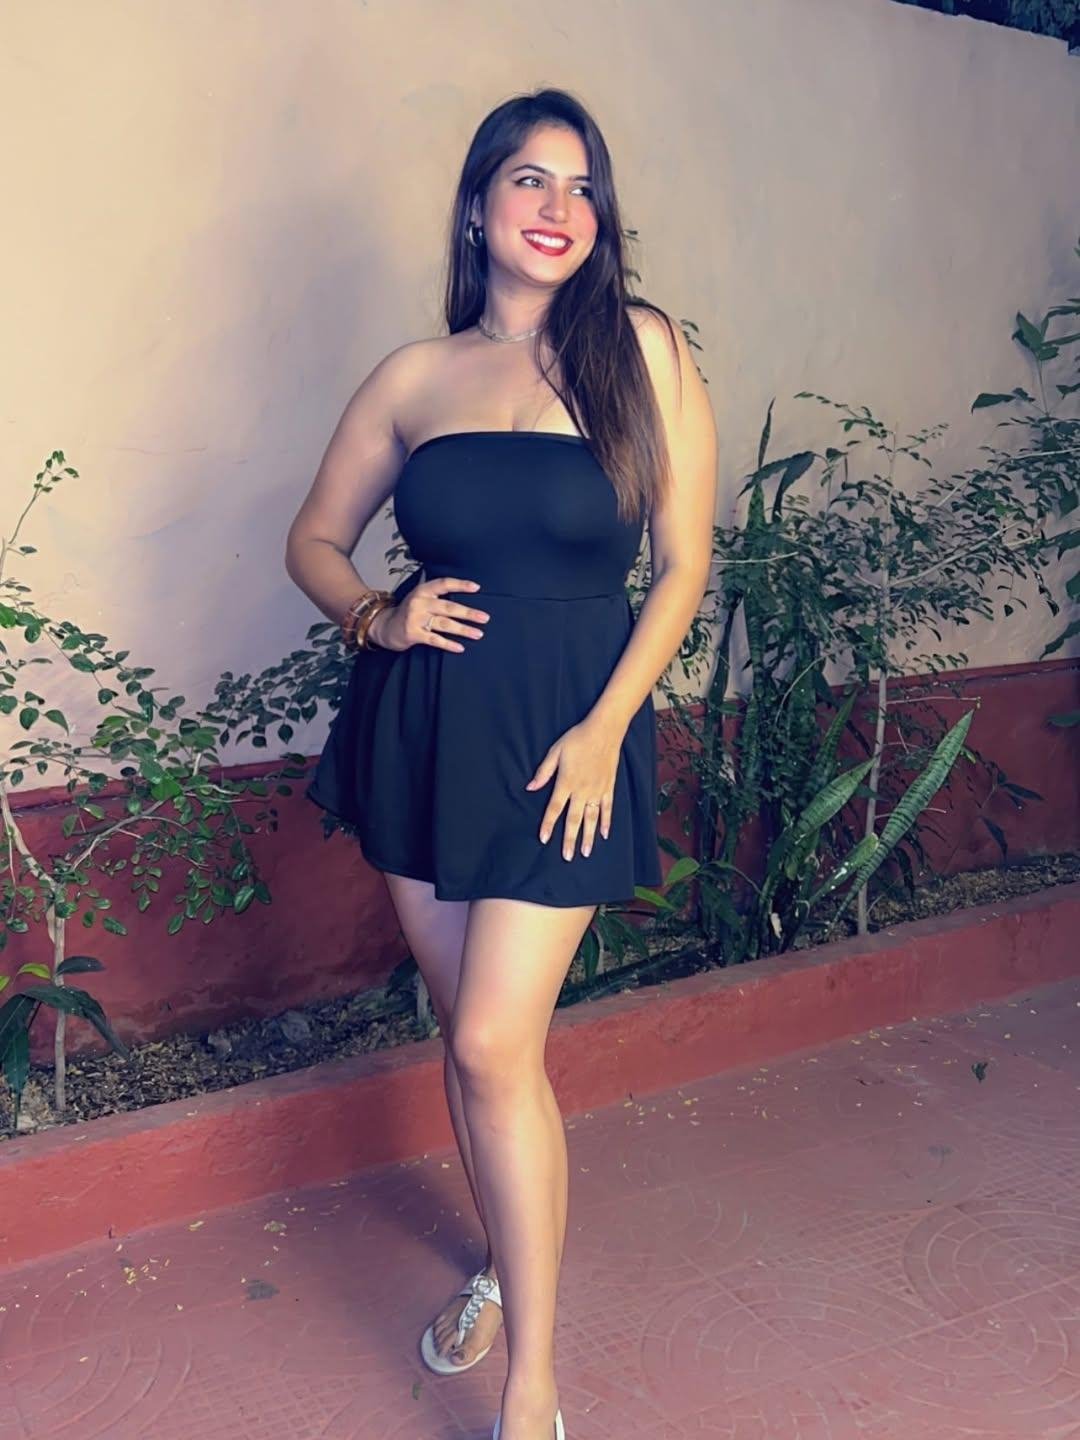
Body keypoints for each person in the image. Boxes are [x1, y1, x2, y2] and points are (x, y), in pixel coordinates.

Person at [285, 87, 716, 1440]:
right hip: (423, 734)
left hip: (567, 741)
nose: (557, 207)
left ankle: (531, 1388)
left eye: (582, 187)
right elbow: (312, 540)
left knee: (488, 1041)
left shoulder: (642, 349)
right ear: (479, 206)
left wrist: (607, 729)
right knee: (476, 1045)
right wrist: (377, 614)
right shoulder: (414, 377)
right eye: (530, 179)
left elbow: (683, 566)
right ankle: (496, 1259)